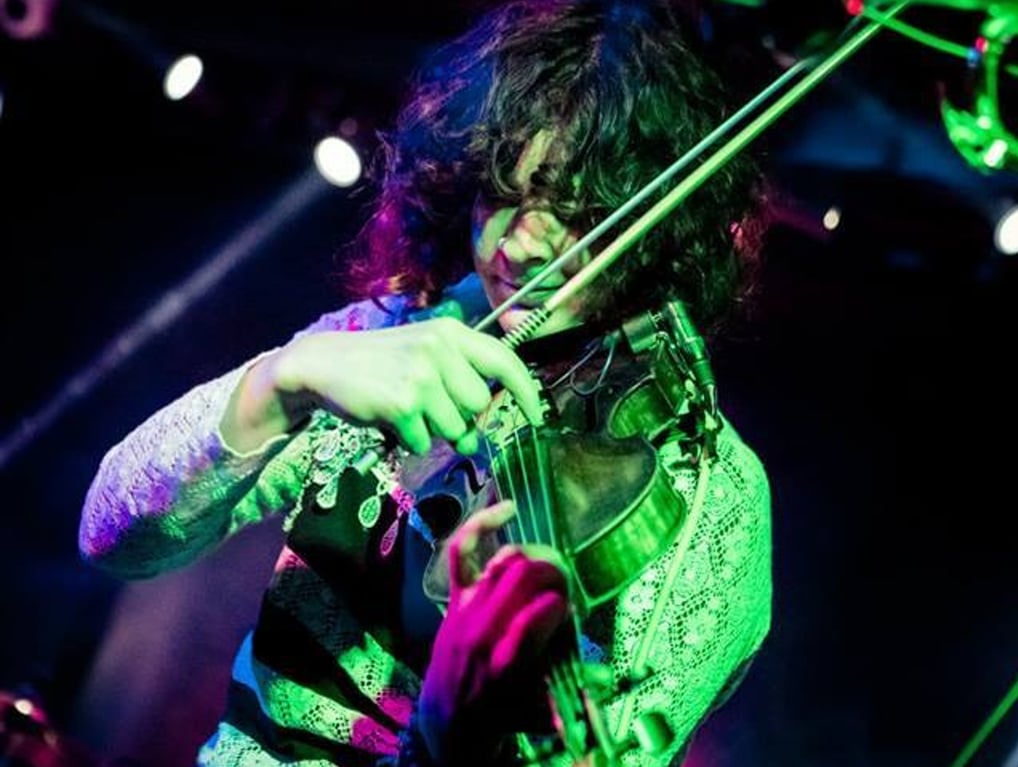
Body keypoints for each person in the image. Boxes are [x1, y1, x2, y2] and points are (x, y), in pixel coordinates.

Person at [78, 0, 773, 765]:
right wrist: (281, 382)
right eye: (504, 192)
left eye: (576, 212)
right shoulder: (396, 333)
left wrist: (448, 733)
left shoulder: (708, 496)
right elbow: (113, 537)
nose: (520, 245)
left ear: (659, 226)